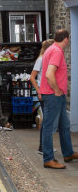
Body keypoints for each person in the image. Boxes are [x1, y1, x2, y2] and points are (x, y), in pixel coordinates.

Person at [40, 29, 78, 169]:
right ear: (66, 39)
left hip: (56, 95)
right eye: (69, 39)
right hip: (53, 95)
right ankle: (48, 159)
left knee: (64, 125)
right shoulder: (56, 51)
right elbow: (50, 74)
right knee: (49, 127)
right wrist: (56, 90)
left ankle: (68, 153)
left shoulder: (51, 49)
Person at [30, 39, 54, 154]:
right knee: (47, 121)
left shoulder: (48, 60)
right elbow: (32, 77)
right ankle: (42, 147)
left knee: (49, 120)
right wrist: (39, 91)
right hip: (44, 92)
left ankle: (46, 146)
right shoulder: (40, 60)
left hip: (50, 92)